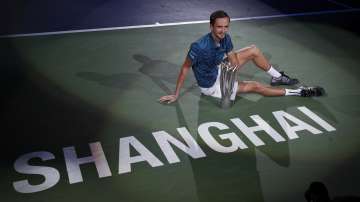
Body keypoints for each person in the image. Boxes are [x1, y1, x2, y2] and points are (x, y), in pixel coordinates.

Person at [159, 10, 324, 104]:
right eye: (219, 27)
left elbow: (233, 60)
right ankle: (299, 93)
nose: (223, 30)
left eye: (226, 27)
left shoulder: (226, 38)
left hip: (220, 71)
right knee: (255, 86)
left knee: (253, 50)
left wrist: (230, 74)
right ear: (211, 26)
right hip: (211, 87)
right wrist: (176, 94)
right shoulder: (199, 47)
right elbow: (185, 68)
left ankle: (277, 77)